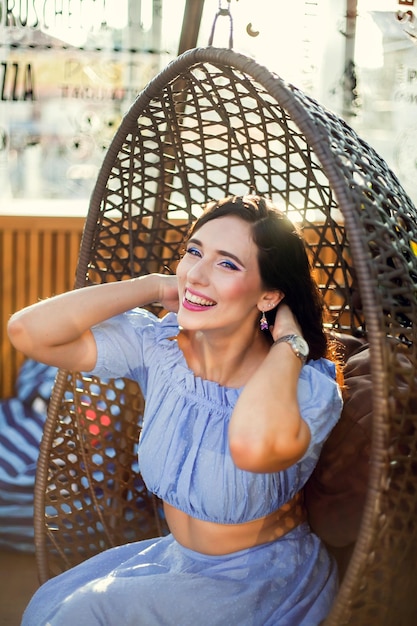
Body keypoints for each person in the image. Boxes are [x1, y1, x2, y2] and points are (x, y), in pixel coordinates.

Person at [8, 195, 343, 626]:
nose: (197, 275)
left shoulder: (306, 387)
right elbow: (27, 331)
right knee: (55, 611)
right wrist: (151, 285)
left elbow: (251, 446)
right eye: (193, 251)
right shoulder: (161, 351)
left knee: (79, 615)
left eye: (227, 264)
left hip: (259, 584)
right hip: (176, 565)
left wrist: (289, 346)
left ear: (268, 296)